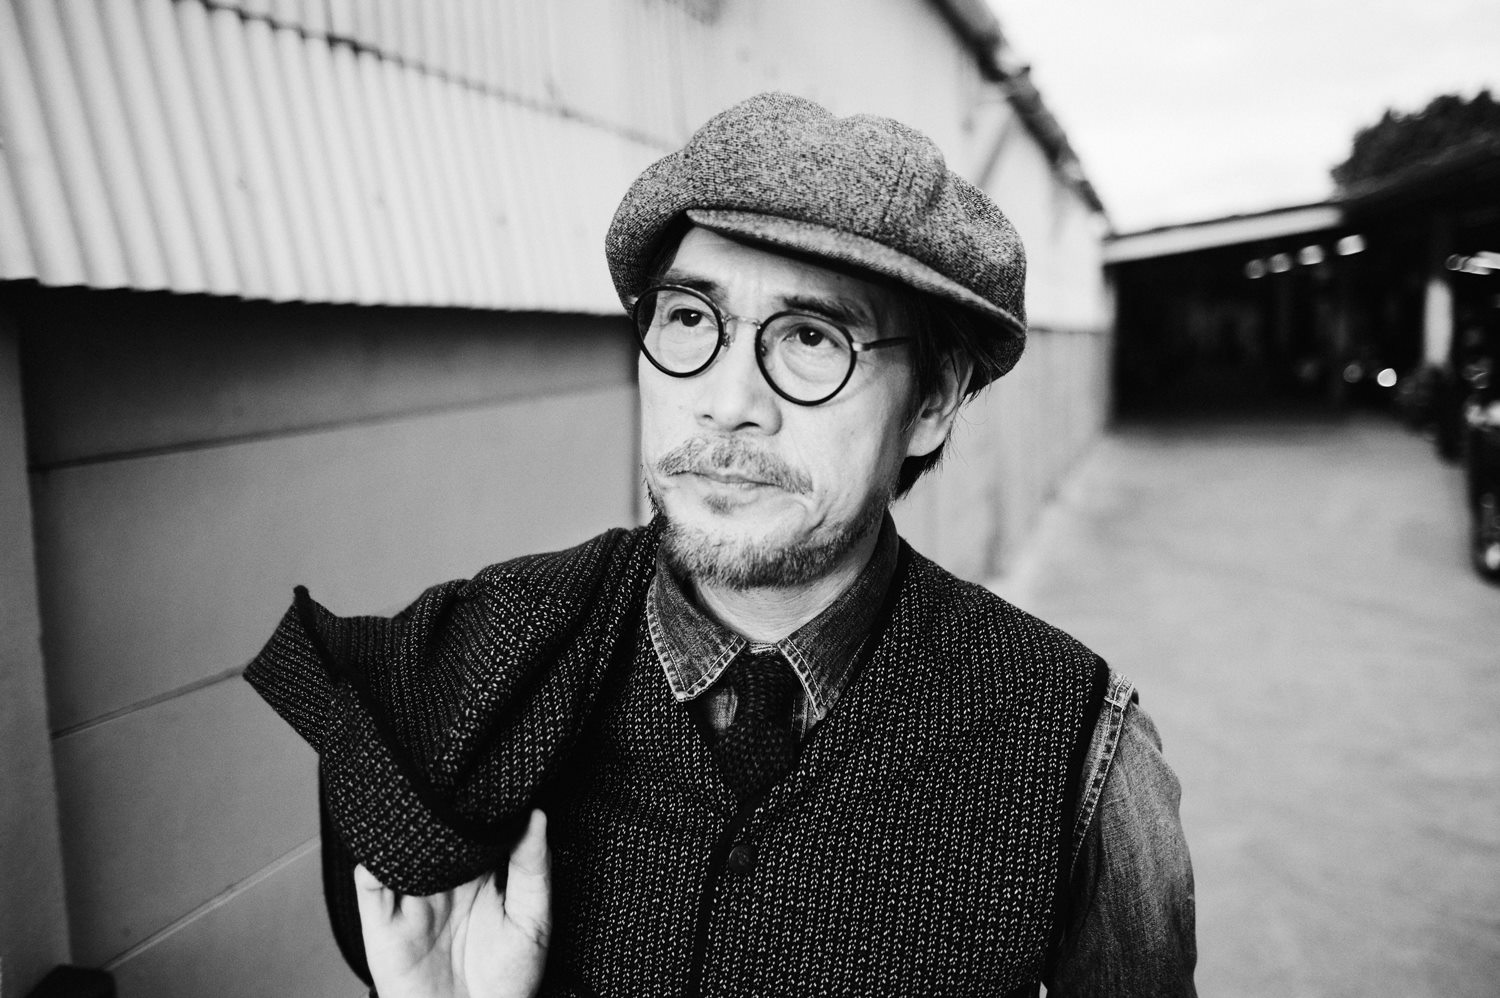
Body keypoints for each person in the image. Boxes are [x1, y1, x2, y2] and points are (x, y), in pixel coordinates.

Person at [246, 92, 1196, 997]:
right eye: (691, 319)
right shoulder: (459, 681)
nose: (728, 402)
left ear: (934, 402)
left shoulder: (1076, 747)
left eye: (812, 337)